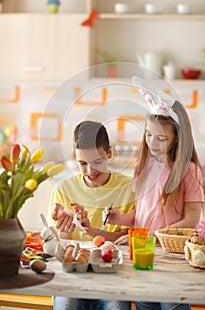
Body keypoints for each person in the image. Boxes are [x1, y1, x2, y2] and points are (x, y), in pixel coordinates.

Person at [103, 76, 205, 310]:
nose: (153, 142)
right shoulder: (143, 167)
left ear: (178, 138)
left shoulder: (189, 171)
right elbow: (142, 214)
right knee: (144, 304)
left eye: (161, 138)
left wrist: (156, 237)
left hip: (173, 258)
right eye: (149, 135)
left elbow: (192, 219)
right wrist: (121, 218)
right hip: (143, 255)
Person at [47, 120, 134, 310]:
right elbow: (55, 247)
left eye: (97, 162)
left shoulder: (129, 188)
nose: (90, 171)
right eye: (82, 163)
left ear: (109, 152)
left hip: (114, 281)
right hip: (71, 281)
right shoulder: (64, 189)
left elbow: (128, 240)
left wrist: (90, 230)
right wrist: (64, 231)